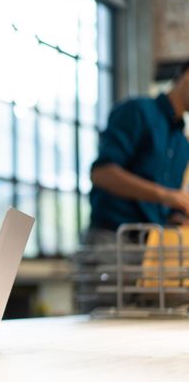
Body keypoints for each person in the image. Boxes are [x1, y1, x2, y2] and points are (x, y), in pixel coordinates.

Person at [77, 61, 189, 311]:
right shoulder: (137, 111)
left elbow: (165, 208)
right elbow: (102, 173)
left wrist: (177, 215)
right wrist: (166, 195)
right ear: (182, 74)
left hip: (151, 252)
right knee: (99, 334)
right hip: (111, 243)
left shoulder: (183, 145)